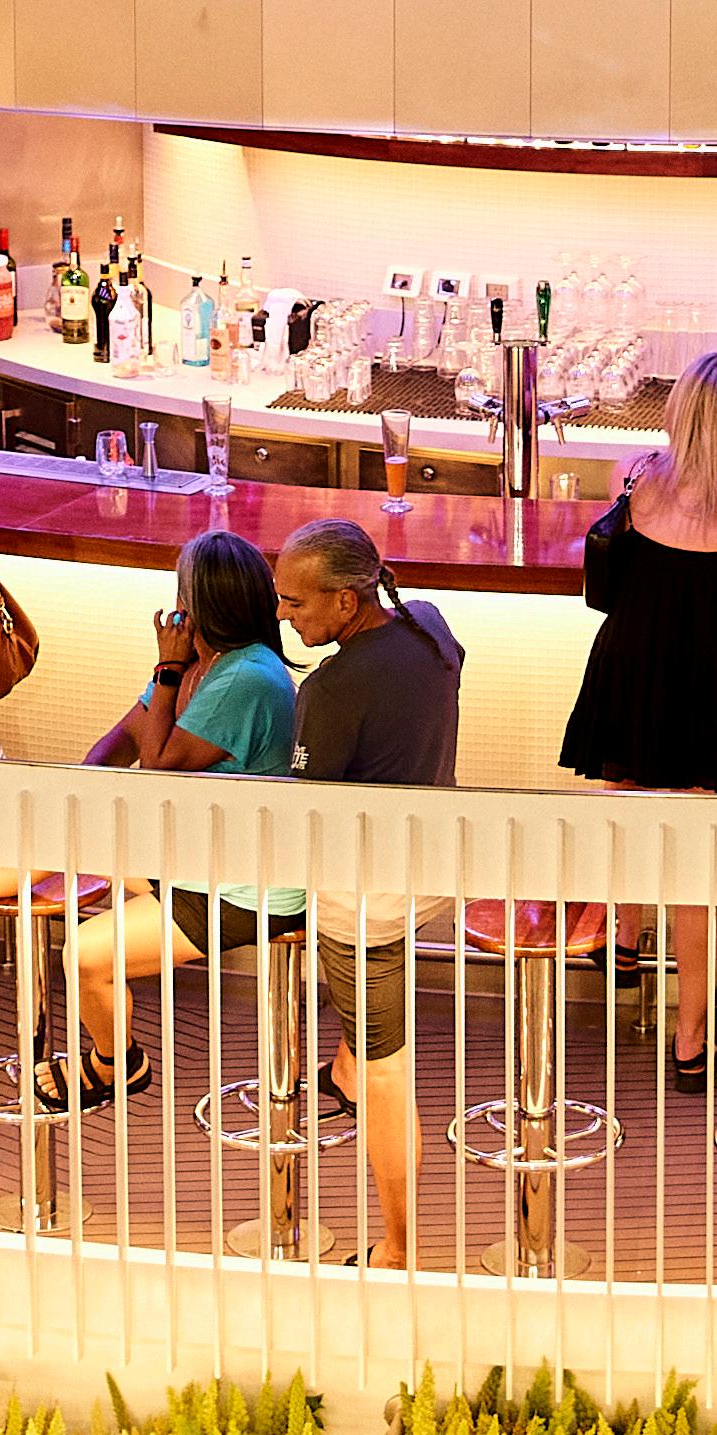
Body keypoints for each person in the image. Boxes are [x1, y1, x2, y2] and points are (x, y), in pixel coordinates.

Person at [563, 352, 717, 1095]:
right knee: (701, 868)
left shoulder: (633, 475)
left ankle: (624, 935)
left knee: (629, 796)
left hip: (635, 667)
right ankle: (690, 1039)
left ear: (676, 409)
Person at [43, 530, 298, 1108]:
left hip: (243, 886)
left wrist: (166, 668)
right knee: (53, 839)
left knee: (84, 955)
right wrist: (85, 790)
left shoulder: (246, 678)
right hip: (194, 857)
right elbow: (124, 740)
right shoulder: (201, 665)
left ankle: (116, 1064)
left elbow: (157, 764)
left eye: (181, 591)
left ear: (201, 602)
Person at [272, 519, 465, 1272]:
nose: (284, 615)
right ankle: (347, 1063)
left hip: (366, 908)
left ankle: (398, 1248)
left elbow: (305, 815)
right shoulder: (431, 628)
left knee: (391, 1075)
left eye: (295, 602)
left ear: (347, 602)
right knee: (366, 1039)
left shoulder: (329, 691)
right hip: (431, 875)